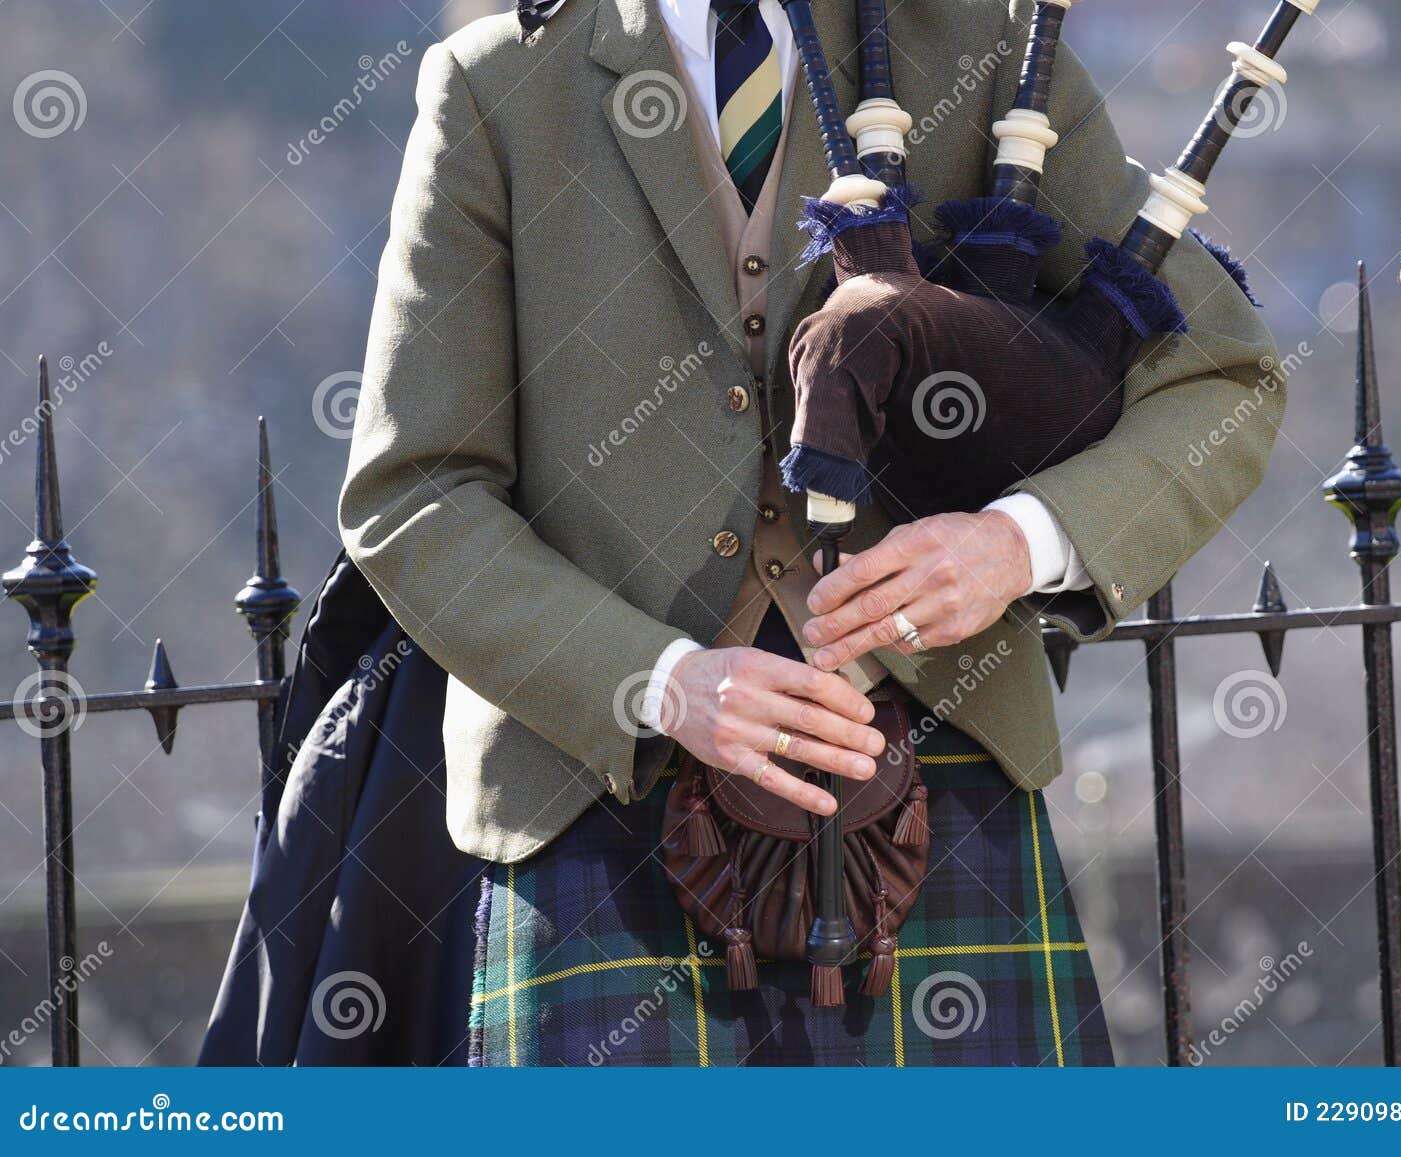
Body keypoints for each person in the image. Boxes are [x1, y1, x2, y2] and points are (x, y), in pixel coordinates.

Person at [338, 0, 1280, 1066]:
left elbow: (1220, 375)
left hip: (934, 764)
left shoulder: (979, 50)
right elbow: (416, 492)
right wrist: (658, 680)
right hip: (599, 795)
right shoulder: (498, 84)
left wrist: (1019, 541)